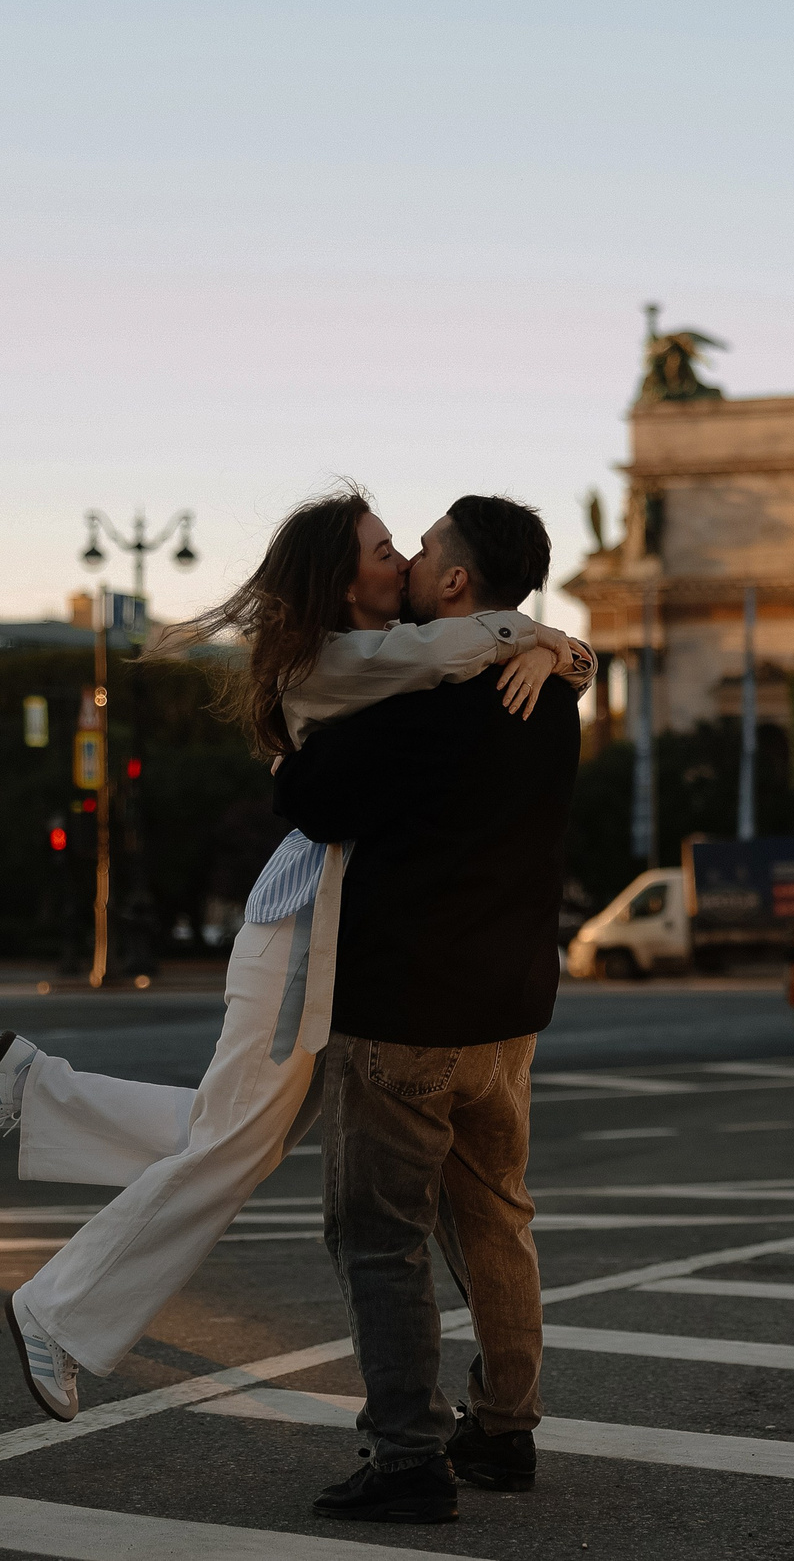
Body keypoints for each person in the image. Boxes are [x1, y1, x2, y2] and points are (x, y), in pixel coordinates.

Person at [0, 485, 592, 1425]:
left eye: (404, 545)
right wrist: (540, 639)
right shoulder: (342, 659)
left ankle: (33, 1089)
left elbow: (446, 658)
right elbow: (441, 655)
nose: (398, 556)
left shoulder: (386, 657)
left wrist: (554, 645)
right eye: (380, 547)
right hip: (300, 931)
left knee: (233, 1133)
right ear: (343, 578)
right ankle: (57, 1311)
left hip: (321, 924)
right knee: (233, 1150)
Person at [274, 495, 577, 1525]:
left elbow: (317, 803)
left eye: (423, 548)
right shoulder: (547, 685)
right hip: (506, 1012)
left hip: (406, 1009)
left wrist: (292, 752)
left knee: (380, 1238)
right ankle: (503, 1430)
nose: (406, 559)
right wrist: (564, 648)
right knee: (495, 1217)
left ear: (453, 583)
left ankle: (407, 1456)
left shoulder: (417, 698)